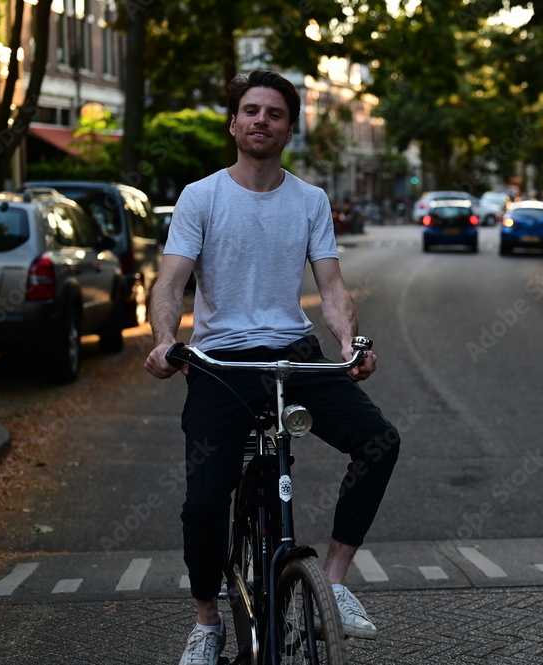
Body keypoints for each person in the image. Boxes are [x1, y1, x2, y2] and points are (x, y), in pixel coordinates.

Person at [144, 69, 400, 665]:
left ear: (289, 127)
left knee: (379, 441)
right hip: (219, 364)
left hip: (292, 357)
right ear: (234, 123)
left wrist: (349, 342)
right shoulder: (200, 197)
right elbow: (171, 282)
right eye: (251, 111)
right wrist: (164, 340)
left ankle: (333, 581)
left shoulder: (310, 201)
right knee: (204, 503)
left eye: (275, 113)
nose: (262, 120)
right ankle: (207, 622)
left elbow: (331, 287)